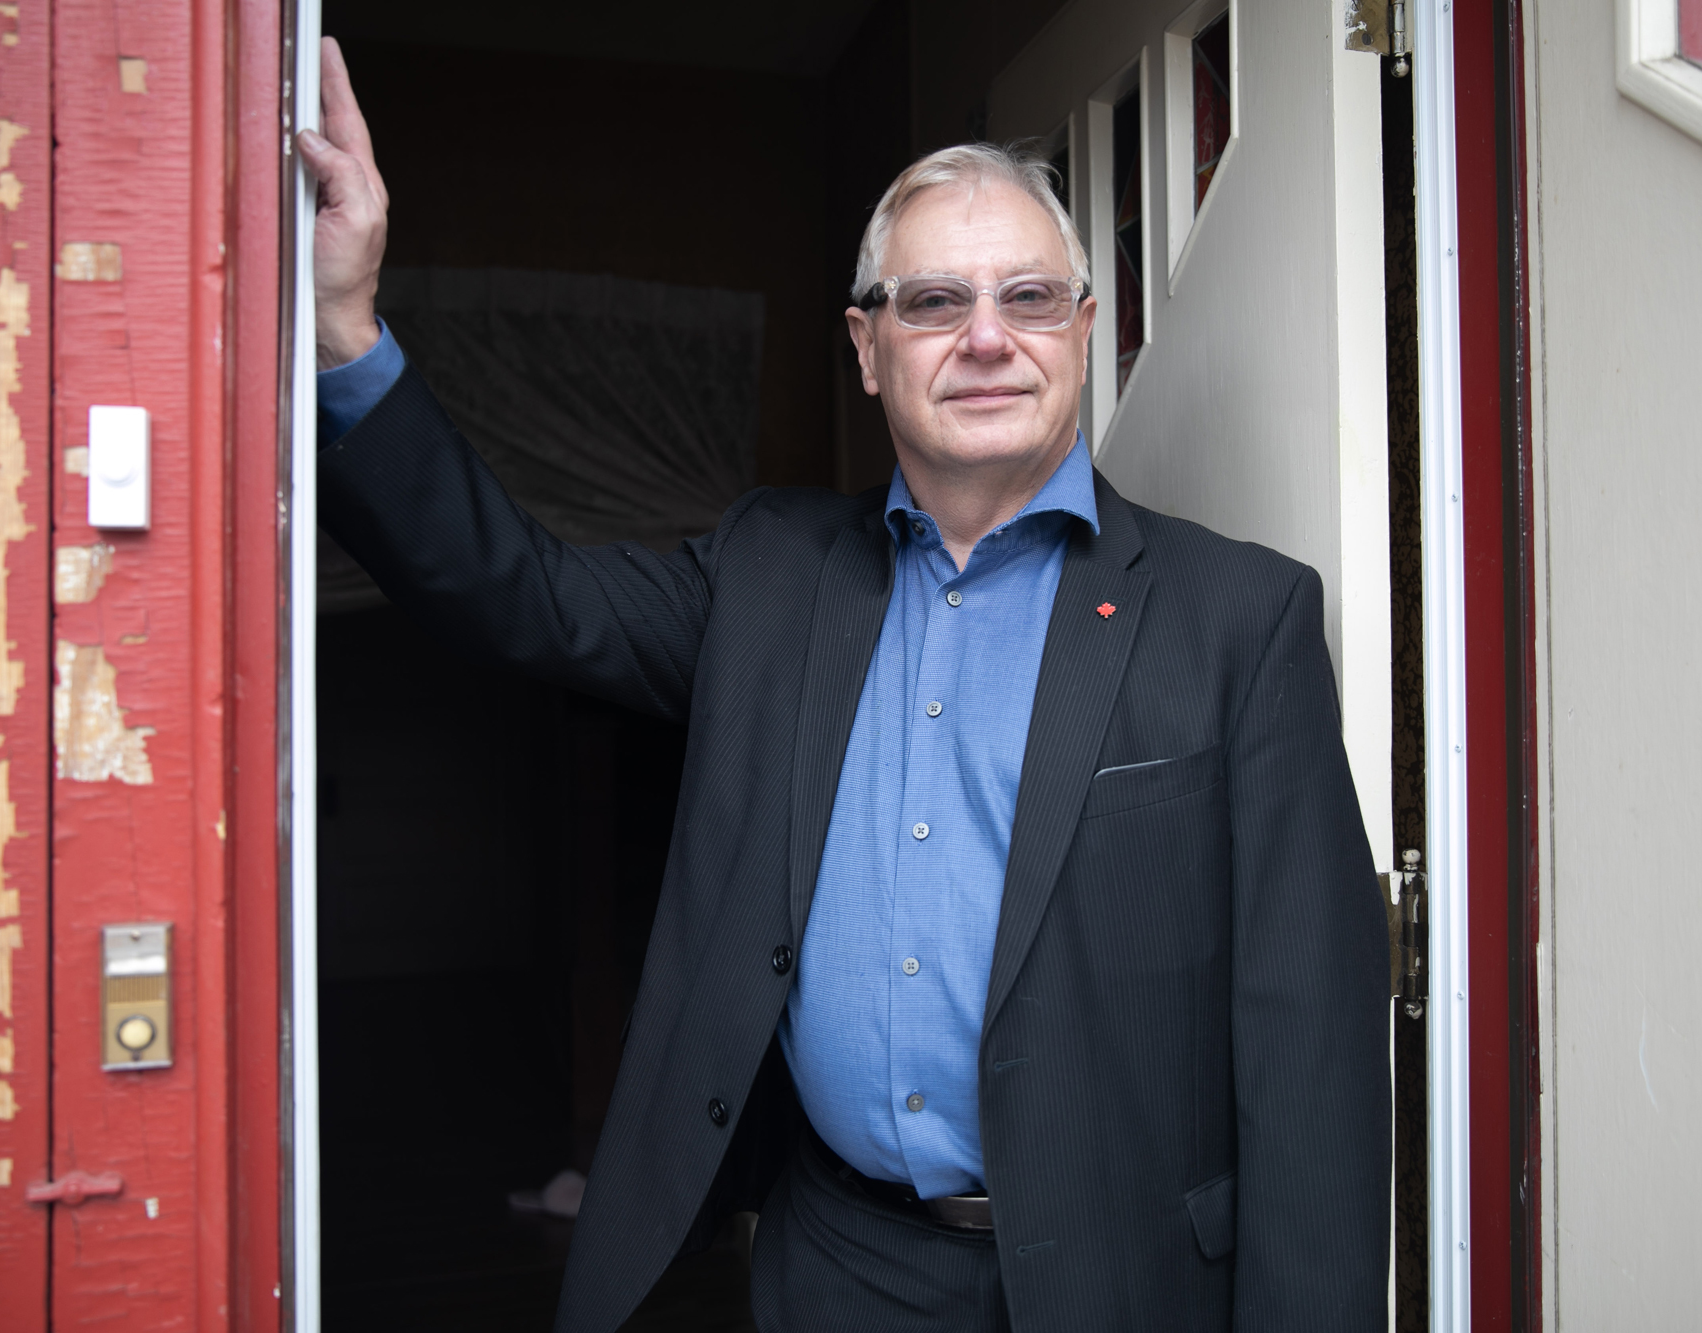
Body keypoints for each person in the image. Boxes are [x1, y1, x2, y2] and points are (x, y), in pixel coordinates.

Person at [297, 35, 1390, 1333]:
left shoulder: (1239, 620)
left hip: (1128, 1280)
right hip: (839, 1268)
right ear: (869, 349)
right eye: (932, 303)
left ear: (1084, 333)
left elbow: (1311, 1063)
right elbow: (518, 593)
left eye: (1029, 298)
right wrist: (344, 329)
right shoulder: (768, 575)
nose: (987, 338)